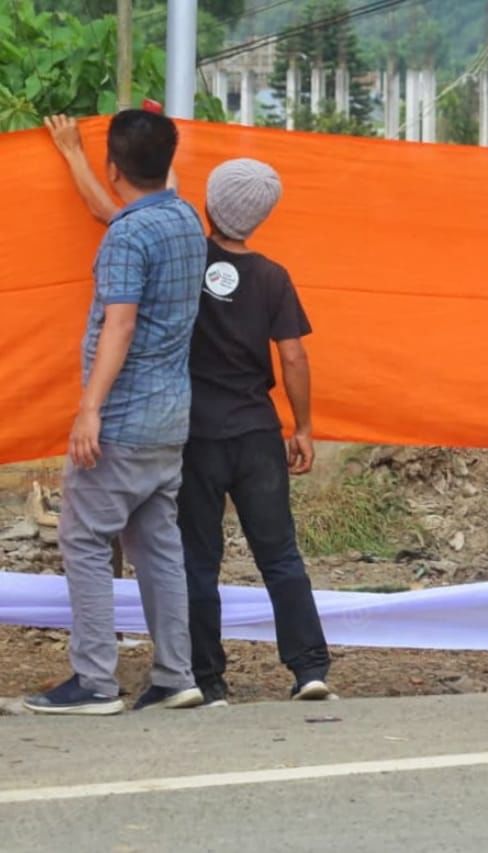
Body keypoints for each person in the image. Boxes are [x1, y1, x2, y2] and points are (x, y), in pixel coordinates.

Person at [44, 116, 334, 705]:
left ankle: (202, 678)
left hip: (188, 431)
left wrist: (73, 153)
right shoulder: (263, 272)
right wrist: (302, 424)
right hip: (249, 433)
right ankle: (306, 668)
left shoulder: (176, 242)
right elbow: (295, 357)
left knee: (190, 557)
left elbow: (116, 213)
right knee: (277, 554)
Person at [25, 110, 206, 715]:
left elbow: (119, 324)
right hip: (170, 420)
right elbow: (117, 209)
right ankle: (176, 673)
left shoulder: (130, 237)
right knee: (158, 549)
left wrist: (88, 411)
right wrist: (78, 156)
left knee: (82, 538)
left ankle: (95, 681)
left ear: (114, 167)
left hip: (124, 418)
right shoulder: (182, 216)